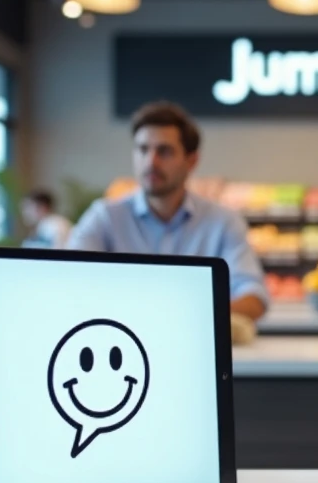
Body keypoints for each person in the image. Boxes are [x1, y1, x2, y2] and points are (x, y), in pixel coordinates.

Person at [68, 101, 269, 321]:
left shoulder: (223, 222)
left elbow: (254, 298)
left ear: (191, 161)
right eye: (142, 149)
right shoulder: (105, 218)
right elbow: (68, 282)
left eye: (164, 151)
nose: (150, 161)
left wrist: (178, 318)